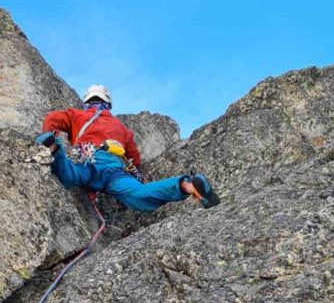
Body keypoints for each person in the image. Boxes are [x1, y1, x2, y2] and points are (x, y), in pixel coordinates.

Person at [35, 84, 220, 213]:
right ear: (108, 102)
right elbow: (134, 158)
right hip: (114, 170)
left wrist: (51, 133)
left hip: (88, 161)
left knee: (68, 175)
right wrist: (135, 173)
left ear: (87, 101)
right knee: (139, 195)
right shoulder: (121, 127)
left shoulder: (77, 115)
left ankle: (54, 148)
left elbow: (52, 118)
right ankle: (186, 185)